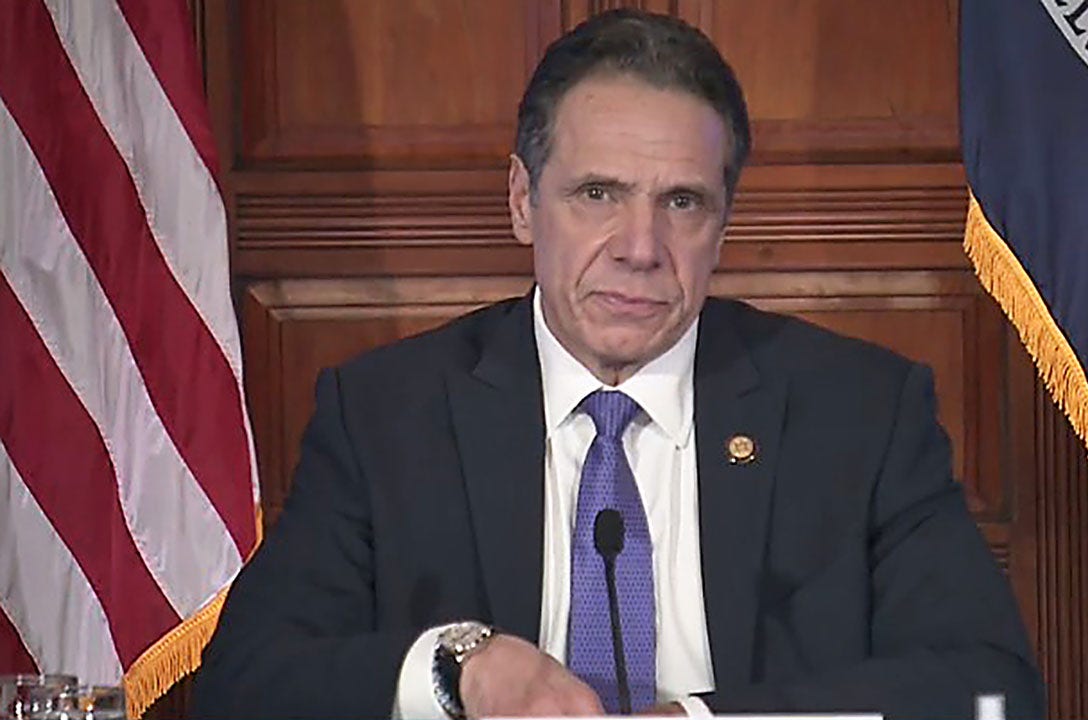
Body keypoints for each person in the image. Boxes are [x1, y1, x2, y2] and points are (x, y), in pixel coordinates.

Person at [193, 9, 1044, 719]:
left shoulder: (858, 413)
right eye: (597, 194)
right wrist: (460, 671)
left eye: (683, 202)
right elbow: (245, 683)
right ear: (523, 201)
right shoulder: (388, 413)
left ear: (724, 224)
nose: (641, 248)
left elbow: (989, 689)